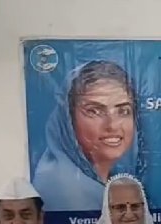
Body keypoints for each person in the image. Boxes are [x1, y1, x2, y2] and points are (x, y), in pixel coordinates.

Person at [32, 60, 145, 211]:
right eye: (94, 111)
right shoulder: (67, 192)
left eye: (123, 111)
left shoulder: (102, 177)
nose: (112, 125)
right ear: (68, 118)